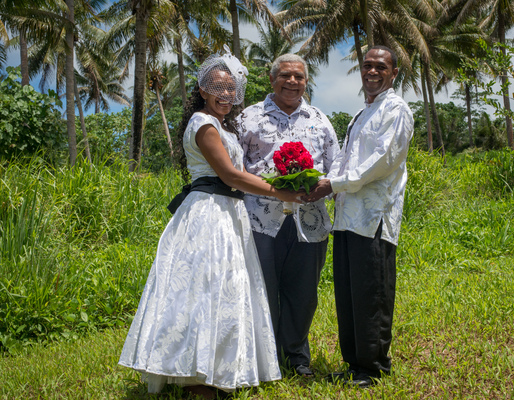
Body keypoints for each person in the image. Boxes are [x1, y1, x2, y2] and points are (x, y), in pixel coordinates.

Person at [118, 50, 302, 399]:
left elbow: (240, 174)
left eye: (232, 90)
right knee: (204, 290)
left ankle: (220, 367)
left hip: (228, 213)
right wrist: (281, 192)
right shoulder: (203, 124)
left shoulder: (221, 126)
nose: (226, 95)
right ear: (202, 89)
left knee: (226, 289)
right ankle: (198, 378)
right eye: (219, 87)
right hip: (208, 214)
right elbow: (231, 174)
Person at [305, 45, 414, 387]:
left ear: (394, 73)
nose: (372, 71)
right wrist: (326, 182)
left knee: (373, 293)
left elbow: (382, 162)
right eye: (367, 65)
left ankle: (374, 367)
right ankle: (354, 363)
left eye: (380, 66)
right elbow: (343, 159)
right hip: (347, 217)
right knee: (349, 294)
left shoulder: (396, 110)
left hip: (373, 217)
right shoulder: (360, 115)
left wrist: (334, 183)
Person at [236, 54, 340, 377]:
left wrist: (324, 186)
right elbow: (234, 167)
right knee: (262, 289)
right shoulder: (249, 118)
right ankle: (265, 361)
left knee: (304, 292)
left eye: (299, 77)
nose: (293, 82)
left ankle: (296, 357)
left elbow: (337, 166)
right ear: (272, 80)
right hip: (260, 222)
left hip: (308, 222)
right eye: (285, 75)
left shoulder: (320, 120)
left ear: (306, 82)